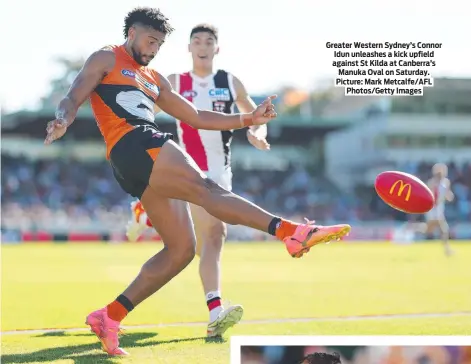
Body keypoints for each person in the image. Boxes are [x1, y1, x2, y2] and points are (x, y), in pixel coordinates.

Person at [44, 7, 351, 357]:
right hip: (135, 142)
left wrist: (249, 117)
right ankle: (290, 232)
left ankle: (109, 316)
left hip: (135, 162)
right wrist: (62, 119)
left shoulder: (155, 78)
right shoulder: (106, 57)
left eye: (159, 43)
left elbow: (196, 117)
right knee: (207, 190)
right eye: (149, 40)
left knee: (181, 250)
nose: (154, 48)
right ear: (131, 33)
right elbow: (74, 94)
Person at [125, 23, 271, 338]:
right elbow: (140, 106)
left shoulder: (230, 83)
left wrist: (258, 134)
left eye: (209, 41)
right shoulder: (175, 82)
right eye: (197, 41)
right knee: (214, 236)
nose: (203, 46)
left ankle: (144, 213)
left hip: (221, 174)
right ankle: (216, 309)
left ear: (216, 48)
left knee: (213, 241)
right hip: (188, 170)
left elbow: (253, 117)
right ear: (189, 48)